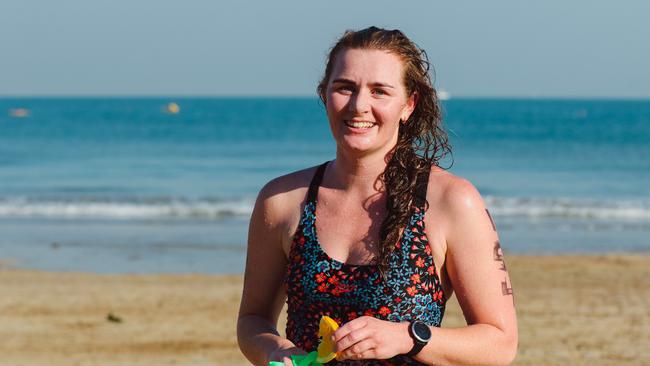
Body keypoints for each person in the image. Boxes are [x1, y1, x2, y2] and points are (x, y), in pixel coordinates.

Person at [237, 26, 518, 366]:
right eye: (345, 88)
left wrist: (406, 336)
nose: (359, 105)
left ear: (408, 105)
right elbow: (252, 320)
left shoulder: (450, 201)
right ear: (325, 95)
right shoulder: (282, 200)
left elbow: (500, 344)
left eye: (379, 91)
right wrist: (274, 351)